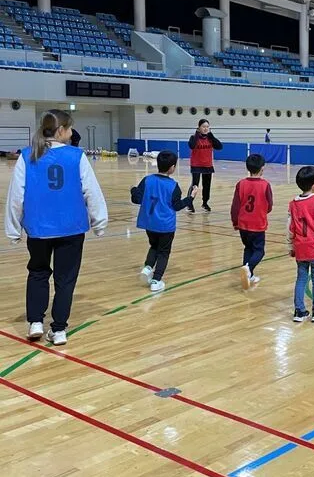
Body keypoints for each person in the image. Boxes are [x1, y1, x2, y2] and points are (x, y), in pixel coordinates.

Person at [4, 109, 108, 345]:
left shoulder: (28, 155)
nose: (72, 134)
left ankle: (35, 322)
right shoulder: (76, 156)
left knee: (38, 272)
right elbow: (91, 191)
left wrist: (13, 229)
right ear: (61, 131)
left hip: (39, 228)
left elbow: (15, 197)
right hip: (71, 228)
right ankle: (59, 329)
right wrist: (99, 222)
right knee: (66, 279)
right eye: (70, 129)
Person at [131, 151, 195, 293]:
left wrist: (133, 190)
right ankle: (156, 280)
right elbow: (177, 206)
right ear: (172, 167)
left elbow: (136, 199)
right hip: (165, 226)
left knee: (154, 246)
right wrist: (190, 198)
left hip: (149, 223)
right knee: (164, 252)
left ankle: (148, 268)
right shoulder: (173, 186)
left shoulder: (147, 180)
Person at [288, 166, 314, 324]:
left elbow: (290, 227)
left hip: (300, 246)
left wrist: (290, 246)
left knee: (301, 278)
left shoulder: (293, 204)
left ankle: (299, 311)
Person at [231, 153, 273, 289]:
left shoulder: (241, 184)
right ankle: (248, 268)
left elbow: (235, 205)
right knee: (259, 251)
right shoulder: (265, 185)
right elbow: (270, 205)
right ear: (262, 168)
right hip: (258, 224)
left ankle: (249, 275)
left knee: (248, 248)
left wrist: (235, 221)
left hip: (243, 224)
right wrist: (262, 212)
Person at [187, 119, 222, 213]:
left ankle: (205, 203)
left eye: (207, 126)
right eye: (203, 126)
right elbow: (191, 145)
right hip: (196, 164)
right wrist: (196, 134)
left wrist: (212, 136)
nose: (206, 128)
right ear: (199, 127)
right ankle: (189, 203)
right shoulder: (193, 137)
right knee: (195, 185)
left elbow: (219, 146)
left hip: (207, 165)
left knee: (207, 185)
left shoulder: (210, 138)